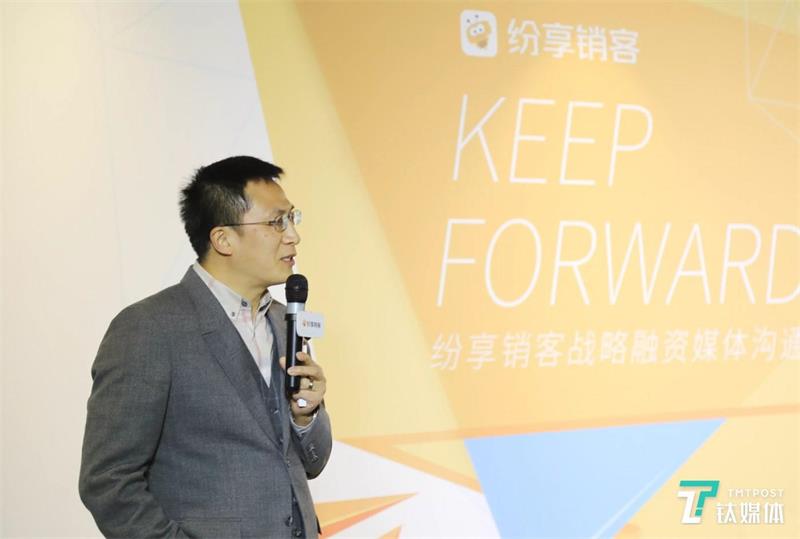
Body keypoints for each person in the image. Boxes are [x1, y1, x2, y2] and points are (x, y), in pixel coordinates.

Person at [79, 156, 332, 538]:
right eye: (276, 222)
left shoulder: (285, 322)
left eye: (292, 218)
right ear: (223, 239)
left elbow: (311, 463)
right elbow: (107, 481)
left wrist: (306, 417)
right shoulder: (150, 328)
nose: (293, 235)